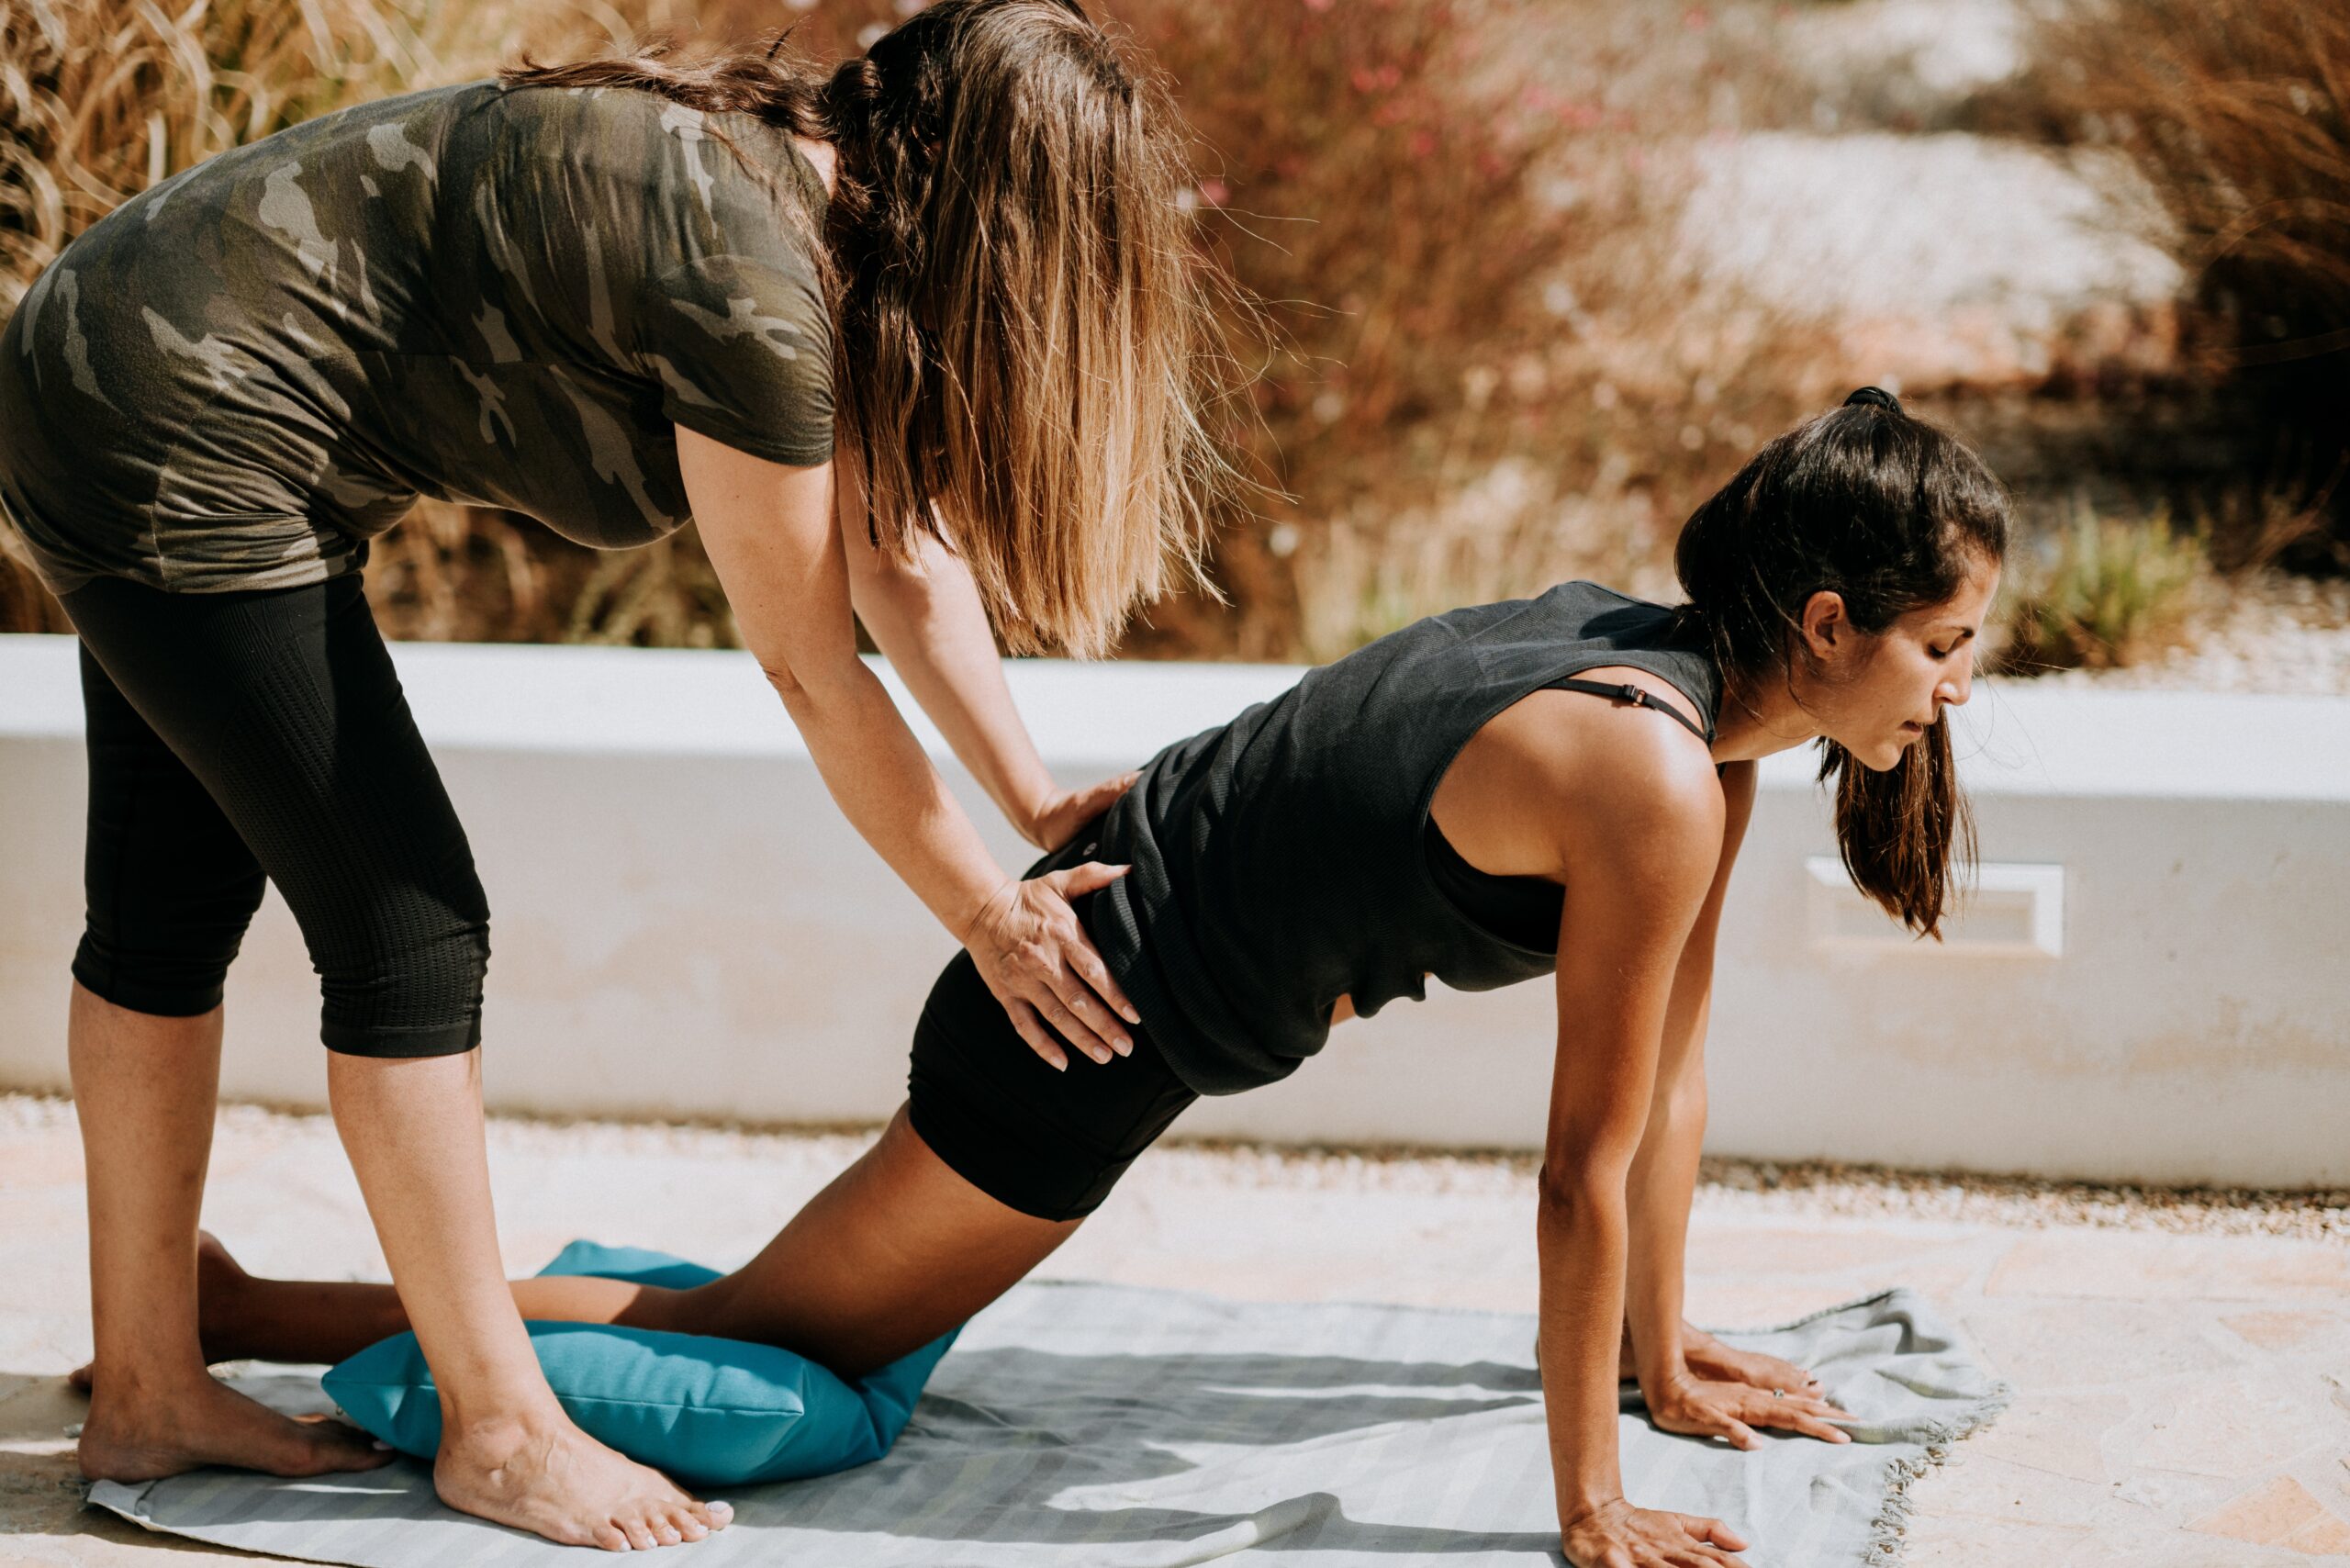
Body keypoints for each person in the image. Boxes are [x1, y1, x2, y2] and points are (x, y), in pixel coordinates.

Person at [165, 389, 2010, 1566]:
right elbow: (1574, 1168)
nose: (1949, 688)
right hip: (1078, 1016)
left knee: (780, 1307)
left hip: (1107, 969)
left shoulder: (1692, 712)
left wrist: (1659, 1355)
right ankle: (266, 1310)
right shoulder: (1650, 770)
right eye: (1938, 644)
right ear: (1825, 623)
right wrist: (1586, 1496)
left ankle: (265, 1293)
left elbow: (1664, 1086)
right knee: (778, 1337)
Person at [0, 0, 1232, 1549]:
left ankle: (149, 1384)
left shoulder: (812, 210)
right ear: (1000, 209)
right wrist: (990, 915)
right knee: (409, 927)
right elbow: (806, 664)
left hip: (115, 357)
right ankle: (502, 1431)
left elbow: (899, 560)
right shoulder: (756, 280)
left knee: (167, 912)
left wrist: (1035, 803)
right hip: (176, 409)